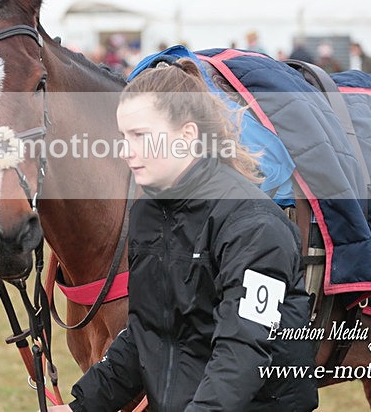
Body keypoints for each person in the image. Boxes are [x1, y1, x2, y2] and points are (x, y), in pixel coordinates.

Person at [53, 59, 317, 411]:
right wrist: (81, 407)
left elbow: (245, 352)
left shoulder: (254, 226)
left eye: (140, 136)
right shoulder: (148, 213)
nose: (126, 151)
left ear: (187, 136)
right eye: (124, 137)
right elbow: (145, 333)